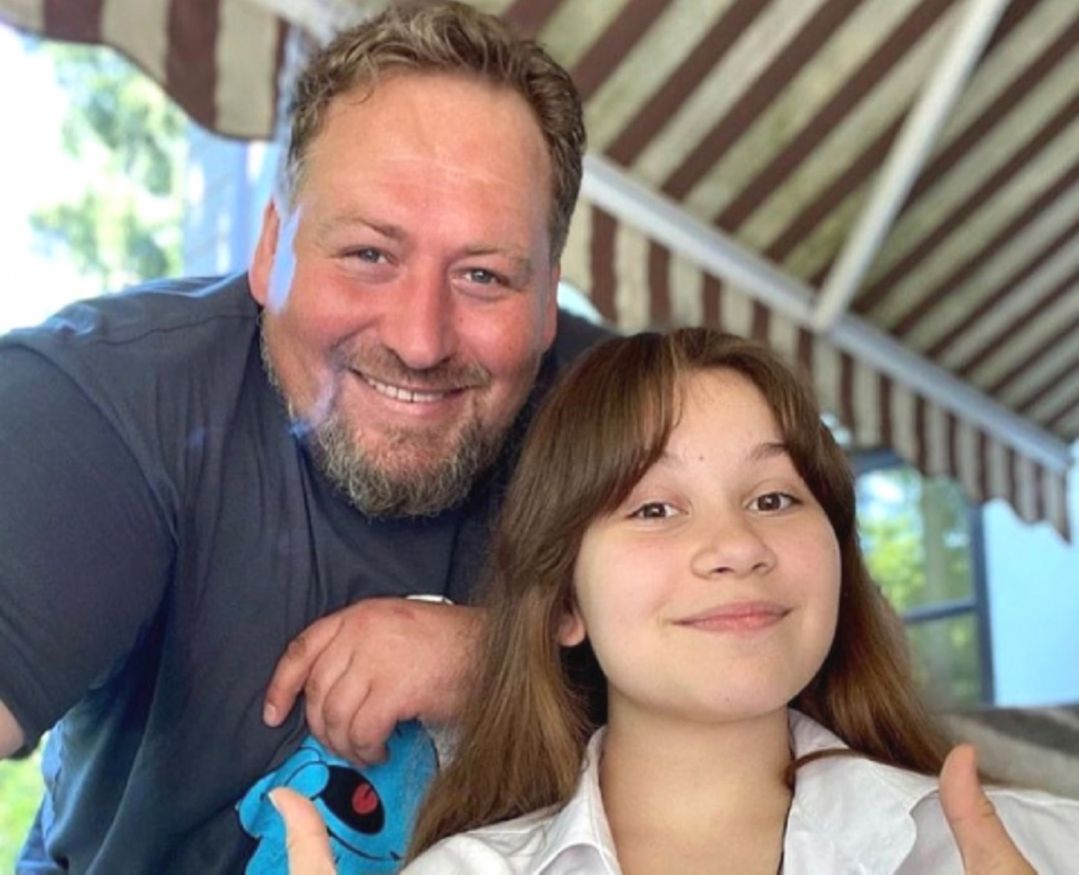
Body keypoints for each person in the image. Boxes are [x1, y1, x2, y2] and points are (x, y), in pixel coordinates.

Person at [0, 3, 602, 872]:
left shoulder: (638, 420)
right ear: (271, 246)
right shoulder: (105, 403)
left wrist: (503, 658)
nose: (420, 340)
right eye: (368, 254)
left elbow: (786, 668)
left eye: (483, 275)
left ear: (547, 299)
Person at [276, 329, 1077, 873]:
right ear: (563, 602)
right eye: (654, 507)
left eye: (774, 498)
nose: (736, 545)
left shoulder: (1034, 846)